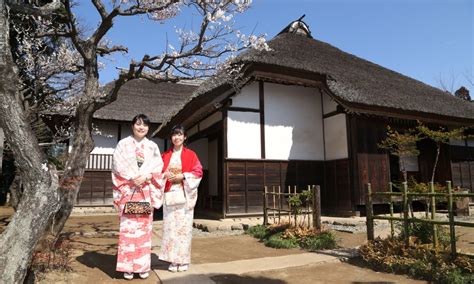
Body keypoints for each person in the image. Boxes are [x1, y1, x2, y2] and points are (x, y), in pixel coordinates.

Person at [112, 114, 163, 280]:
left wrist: (147, 176)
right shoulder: (123, 144)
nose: (142, 127)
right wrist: (133, 177)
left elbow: (158, 169)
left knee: (144, 230)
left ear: (148, 128)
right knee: (128, 228)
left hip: (145, 192)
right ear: (132, 125)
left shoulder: (152, 146)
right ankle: (127, 266)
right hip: (129, 191)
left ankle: (141, 266)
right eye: (138, 124)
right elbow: (117, 166)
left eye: (145, 125)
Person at [159, 125, 203, 272]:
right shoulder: (165, 155)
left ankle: (183, 260)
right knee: (170, 228)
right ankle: (172, 259)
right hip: (170, 194)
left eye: (180, 135)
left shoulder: (191, 155)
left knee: (183, 229)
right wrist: (165, 175)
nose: (176, 137)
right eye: (174, 135)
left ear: (185, 137)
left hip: (184, 194)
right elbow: (157, 172)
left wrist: (183, 176)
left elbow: (198, 172)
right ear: (171, 138)